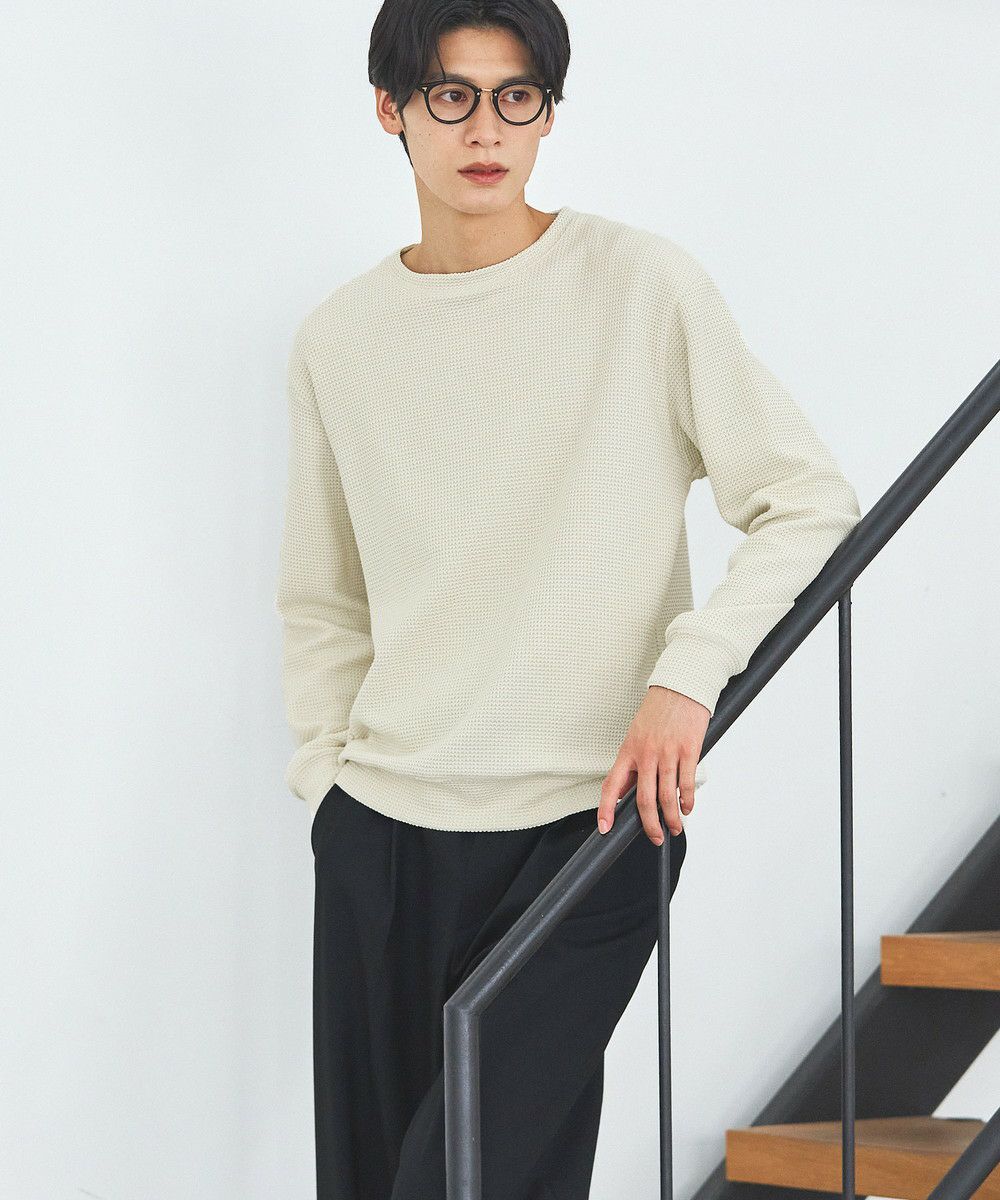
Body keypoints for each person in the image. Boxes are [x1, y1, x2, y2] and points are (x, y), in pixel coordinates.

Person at [274, 2, 862, 1196]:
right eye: (451, 95)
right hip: (383, 827)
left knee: (469, 1173)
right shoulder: (340, 338)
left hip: (589, 822)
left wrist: (685, 678)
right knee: (380, 1178)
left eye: (516, 97)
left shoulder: (640, 286)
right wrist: (327, 782)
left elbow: (805, 500)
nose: (485, 129)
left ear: (547, 112)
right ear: (389, 110)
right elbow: (324, 597)